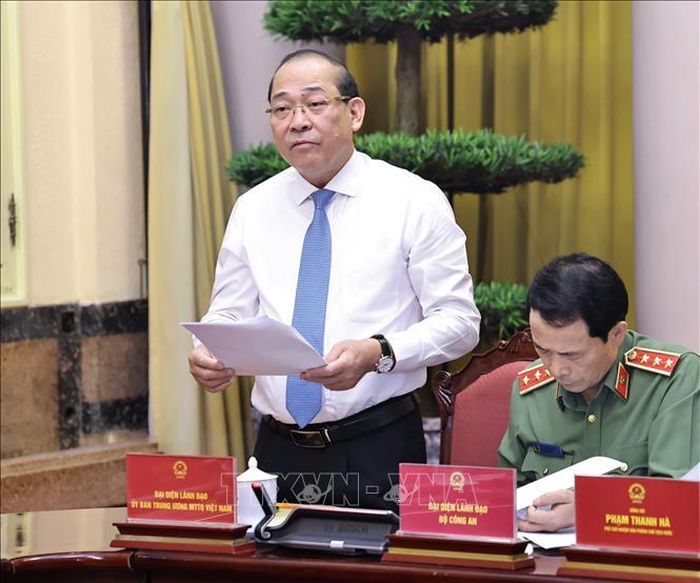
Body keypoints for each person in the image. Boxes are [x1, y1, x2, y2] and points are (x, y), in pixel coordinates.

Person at [189, 49, 480, 511]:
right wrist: (211, 350)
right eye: (282, 109)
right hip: (277, 449)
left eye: (314, 104)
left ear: (355, 112)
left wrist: (378, 352)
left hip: (376, 444)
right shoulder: (253, 208)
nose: (297, 122)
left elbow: (460, 323)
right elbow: (229, 311)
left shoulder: (413, 201)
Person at [498, 253, 700, 532]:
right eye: (542, 350)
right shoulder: (530, 388)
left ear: (616, 334)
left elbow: (679, 501)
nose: (556, 369)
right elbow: (505, 496)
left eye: (572, 355)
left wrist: (591, 510)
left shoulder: (674, 380)